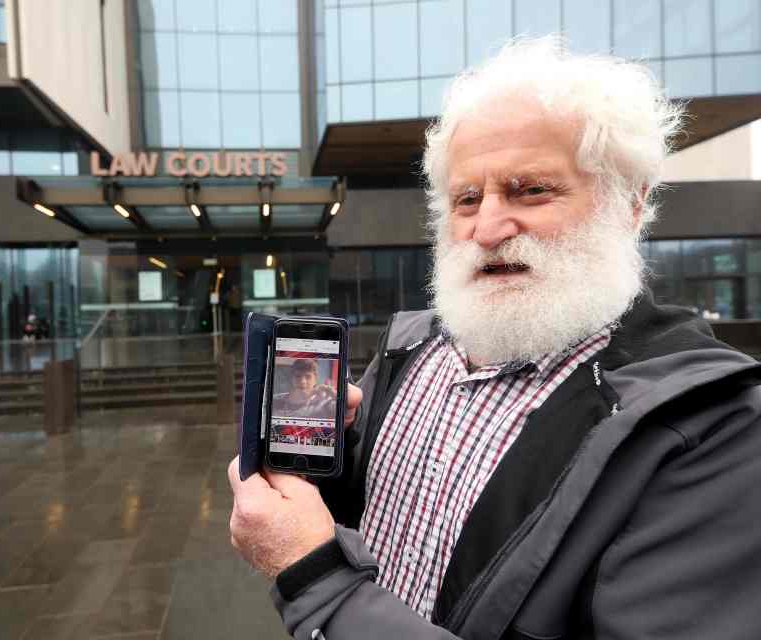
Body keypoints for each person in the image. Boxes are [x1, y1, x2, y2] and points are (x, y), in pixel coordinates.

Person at [228, 36, 761, 640]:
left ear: (630, 205)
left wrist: (314, 580)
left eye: (531, 190)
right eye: (467, 198)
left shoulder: (713, 428)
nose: (486, 228)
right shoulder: (411, 347)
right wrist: (330, 472)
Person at [272, 358, 337, 420]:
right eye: (298, 376)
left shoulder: (325, 403)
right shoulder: (275, 400)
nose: (302, 381)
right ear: (292, 378)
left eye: (308, 377)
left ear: (315, 379)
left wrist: (333, 392)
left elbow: (345, 409)